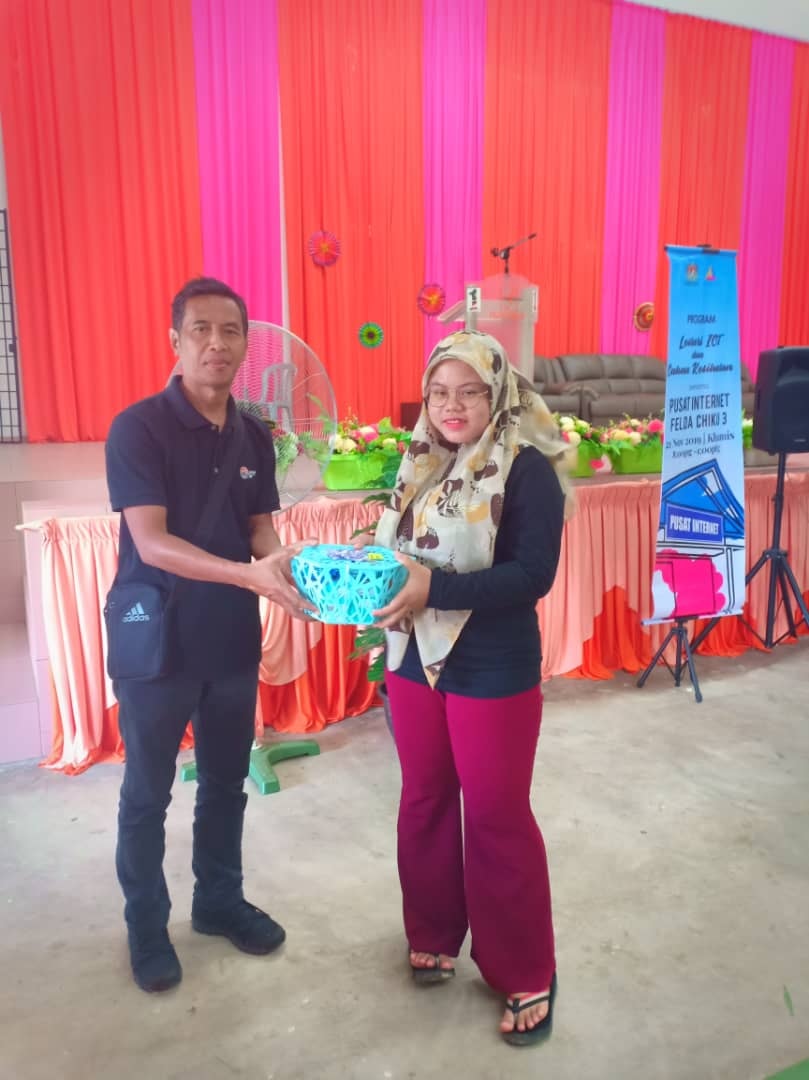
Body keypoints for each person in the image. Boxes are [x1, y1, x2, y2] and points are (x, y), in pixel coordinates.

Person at [105, 276, 316, 993]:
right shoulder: (138, 428)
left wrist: (286, 572)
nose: (216, 343)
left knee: (226, 782)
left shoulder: (254, 433)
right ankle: (146, 925)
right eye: (201, 329)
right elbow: (152, 542)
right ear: (175, 340)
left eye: (230, 331)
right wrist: (247, 575)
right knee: (147, 793)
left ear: (247, 344)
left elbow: (259, 530)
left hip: (229, 638)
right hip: (158, 642)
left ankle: (218, 902)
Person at [372, 329, 572, 1047]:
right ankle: (431, 931)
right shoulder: (419, 461)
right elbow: (398, 555)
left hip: (491, 663)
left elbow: (531, 576)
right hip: (411, 657)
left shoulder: (526, 469)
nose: (451, 406)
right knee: (424, 798)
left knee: (495, 815)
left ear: (498, 395)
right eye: (438, 393)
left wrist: (435, 589)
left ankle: (524, 968)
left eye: (469, 392)